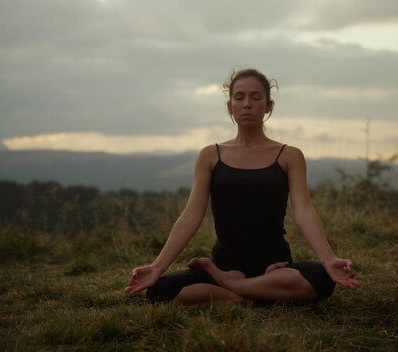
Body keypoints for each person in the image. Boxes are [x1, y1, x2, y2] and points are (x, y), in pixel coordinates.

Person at [125, 68, 360, 305]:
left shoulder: (289, 156)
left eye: (255, 97)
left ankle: (234, 289)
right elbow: (191, 215)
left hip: (274, 266)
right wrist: (157, 267)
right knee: (159, 291)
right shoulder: (210, 155)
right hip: (226, 265)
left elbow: (304, 211)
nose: (247, 104)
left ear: (268, 105)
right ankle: (259, 294)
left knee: (321, 278)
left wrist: (328, 259)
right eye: (239, 97)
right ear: (230, 107)